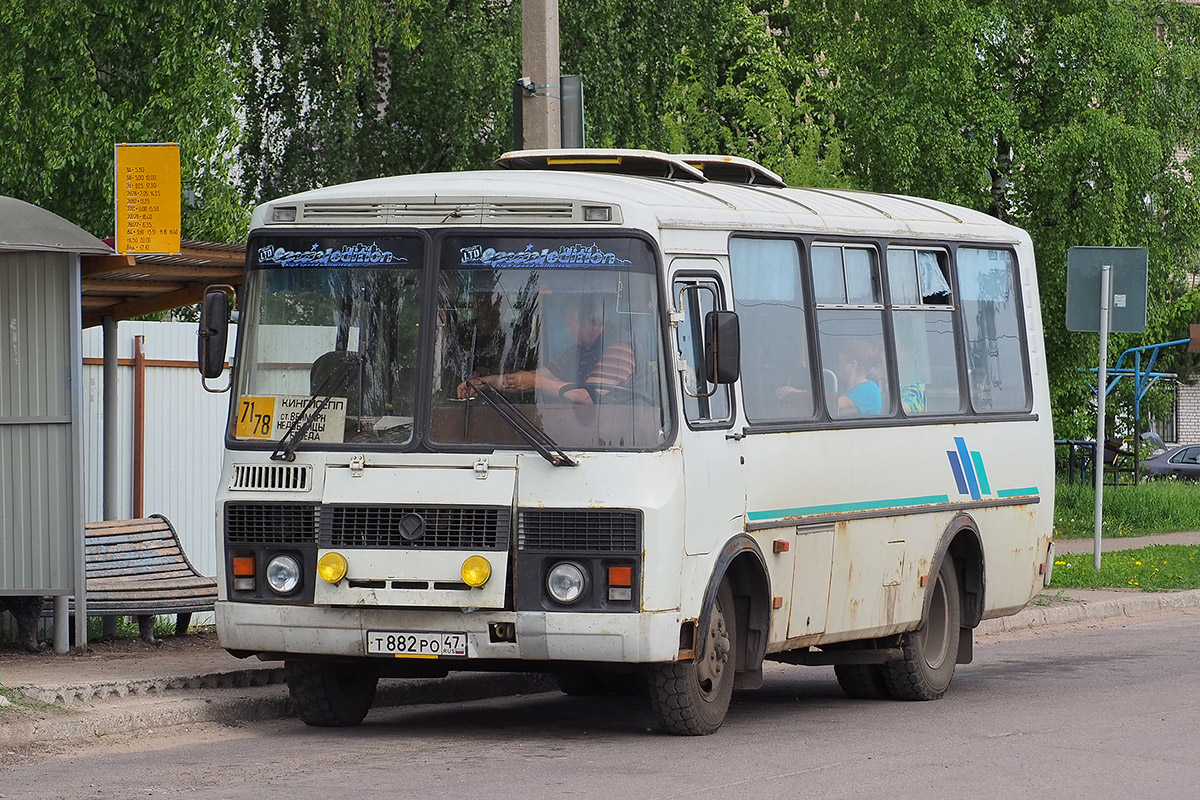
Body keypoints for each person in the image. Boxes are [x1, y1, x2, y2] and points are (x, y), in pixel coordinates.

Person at [458, 297, 635, 404]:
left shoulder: (620, 350)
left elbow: (587, 397)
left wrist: (536, 382)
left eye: (571, 324)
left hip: (613, 441)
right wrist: (483, 383)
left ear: (594, 323)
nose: (567, 330)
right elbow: (537, 376)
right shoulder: (578, 351)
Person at [832, 338, 882, 416]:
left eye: (839, 361)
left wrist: (808, 398)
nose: (836, 366)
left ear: (852, 365)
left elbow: (833, 406)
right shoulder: (850, 389)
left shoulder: (868, 389)